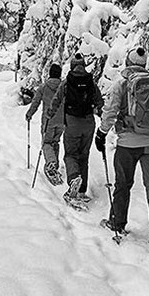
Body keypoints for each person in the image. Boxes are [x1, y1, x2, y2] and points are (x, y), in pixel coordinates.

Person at [95, 46, 149, 246]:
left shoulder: (121, 84)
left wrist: (101, 133)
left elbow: (110, 111)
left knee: (123, 184)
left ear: (128, 63)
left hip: (128, 144)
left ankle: (117, 223)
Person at [52, 54, 104, 205]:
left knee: (70, 155)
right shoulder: (91, 82)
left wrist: (50, 113)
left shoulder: (67, 82)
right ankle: (81, 190)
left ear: (73, 66)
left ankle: (74, 177)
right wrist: (102, 116)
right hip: (89, 123)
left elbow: (56, 99)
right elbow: (99, 101)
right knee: (84, 156)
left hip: (72, 123)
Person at [25, 64, 65, 185]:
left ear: (50, 74)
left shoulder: (44, 87)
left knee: (46, 142)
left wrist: (29, 114)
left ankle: (51, 163)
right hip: (61, 121)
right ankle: (55, 165)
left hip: (48, 121)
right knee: (55, 142)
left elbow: (35, 102)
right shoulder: (64, 87)